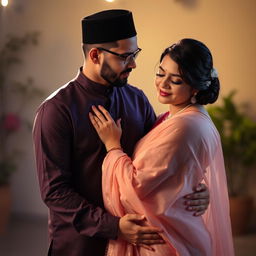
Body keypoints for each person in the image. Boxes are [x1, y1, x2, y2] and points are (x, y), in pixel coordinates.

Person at [33, 10, 210, 256]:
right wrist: (114, 227)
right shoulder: (57, 110)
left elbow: (160, 165)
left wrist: (197, 189)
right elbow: (55, 191)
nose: (134, 64)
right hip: (79, 246)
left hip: (135, 246)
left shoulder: (136, 99)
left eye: (135, 54)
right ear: (95, 55)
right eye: (126, 56)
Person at [89, 39, 234, 256]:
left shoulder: (185, 126)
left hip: (162, 241)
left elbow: (136, 186)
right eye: (160, 73)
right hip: (174, 231)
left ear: (195, 86)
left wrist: (112, 146)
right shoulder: (177, 117)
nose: (163, 84)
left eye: (175, 80)